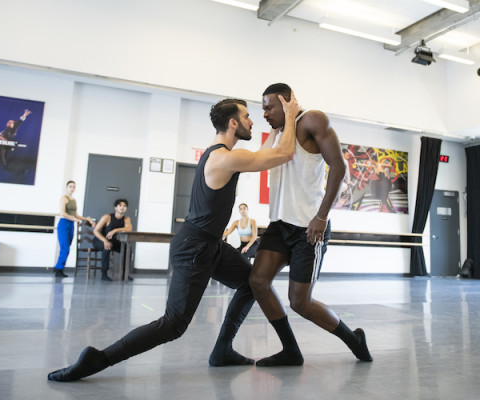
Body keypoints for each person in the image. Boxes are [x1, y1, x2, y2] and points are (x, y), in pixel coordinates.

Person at [47, 93, 301, 382]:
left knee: (253, 283)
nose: (252, 120)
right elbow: (283, 154)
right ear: (233, 123)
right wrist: (290, 115)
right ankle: (99, 359)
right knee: (173, 324)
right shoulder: (225, 157)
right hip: (195, 247)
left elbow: (271, 151)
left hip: (209, 244)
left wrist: (280, 127)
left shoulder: (218, 153)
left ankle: (222, 350)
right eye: (246, 117)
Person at [249, 83, 373, 367]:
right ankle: (291, 350)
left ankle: (354, 340)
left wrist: (322, 216)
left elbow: (339, 167)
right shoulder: (279, 132)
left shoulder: (312, 120)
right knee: (257, 280)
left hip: (308, 226)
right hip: (279, 224)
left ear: (287, 101)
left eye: (269, 107)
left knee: (300, 302)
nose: (265, 114)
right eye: (262, 108)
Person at [53, 180, 95, 278]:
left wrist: (87, 219)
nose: (72, 188)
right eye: (70, 186)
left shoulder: (74, 200)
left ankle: (59, 267)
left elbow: (76, 215)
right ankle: (58, 269)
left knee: (67, 248)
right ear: (66, 188)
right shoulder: (64, 198)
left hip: (71, 224)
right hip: (64, 224)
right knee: (65, 247)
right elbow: (62, 213)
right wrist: (74, 219)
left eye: (73, 187)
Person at [92, 198, 132, 281]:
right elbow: (95, 231)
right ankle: (104, 274)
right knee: (107, 247)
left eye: (124, 206)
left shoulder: (126, 219)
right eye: (120, 205)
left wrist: (115, 230)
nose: (122, 207)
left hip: (112, 241)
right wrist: (105, 241)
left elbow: (129, 229)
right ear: (115, 208)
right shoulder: (107, 217)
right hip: (99, 240)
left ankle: (124, 274)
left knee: (127, 248)